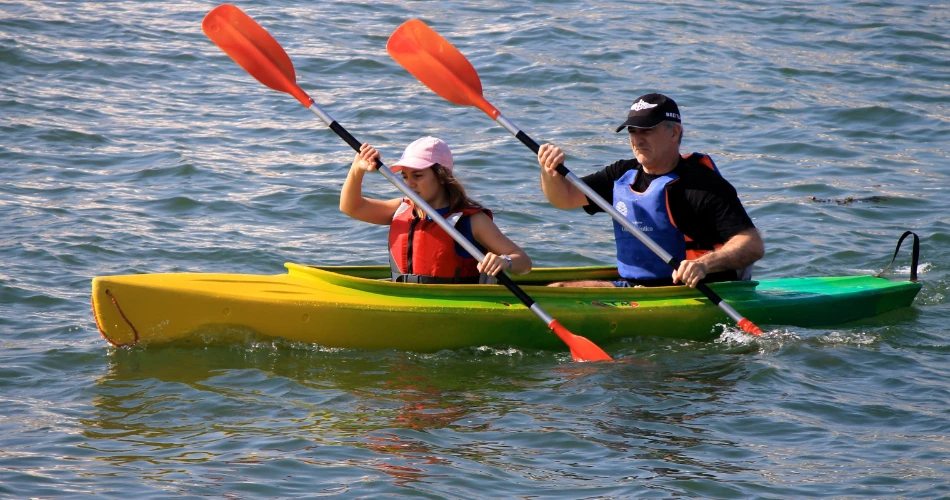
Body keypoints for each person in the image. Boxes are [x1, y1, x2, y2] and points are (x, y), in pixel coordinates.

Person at [536, 93, 764, 288]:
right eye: (632, 131)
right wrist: (549, 171)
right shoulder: (621, 174)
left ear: (674, 132)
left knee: (561, 288)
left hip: (692, 289)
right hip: (636, 286)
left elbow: (751, 244)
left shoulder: (703, 186)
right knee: (559, 287)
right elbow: (564, 198)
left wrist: (703, 265)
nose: (637, 139)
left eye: (646, 130)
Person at [340, 136, 532, 284]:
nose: (410, 184)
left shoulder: (472, 221)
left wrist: (504, 261)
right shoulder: (400, 209)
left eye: (418, 175)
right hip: (405, 297)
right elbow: (351, 207)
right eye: (405, 177)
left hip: (454, 305)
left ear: (441, 176)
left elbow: (524, 263)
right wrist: (357, 169)